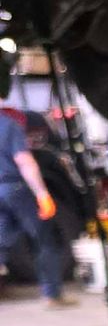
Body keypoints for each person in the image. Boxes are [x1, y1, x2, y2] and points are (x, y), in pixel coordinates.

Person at [0, 105, 72, 306]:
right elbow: (24, 161)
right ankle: (52, 295)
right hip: (15, 189)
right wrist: (42, 194)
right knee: (44, 238)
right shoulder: (9, 126)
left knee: (1, 241)